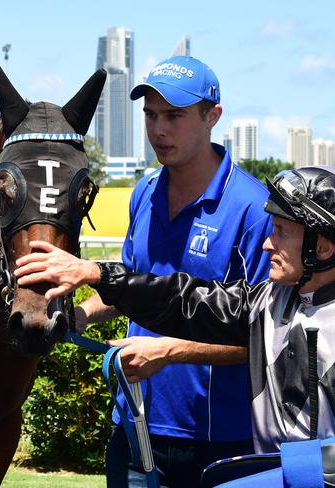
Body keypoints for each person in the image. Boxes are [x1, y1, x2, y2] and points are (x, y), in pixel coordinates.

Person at [15, 165, 335, 456]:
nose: (267, 243)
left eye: (281, 231)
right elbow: (183, 299)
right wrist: (97, 274)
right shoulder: (266, 302)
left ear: (322, 247)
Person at [73, 55, 272, 486]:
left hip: (222, 443)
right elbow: (128, 281)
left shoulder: (253, 209)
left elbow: (266, 338)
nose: (158, 130)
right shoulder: (144, 192)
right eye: (150, 115)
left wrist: (169, 350)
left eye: (174, 116)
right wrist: (80, 315)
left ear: (212, 116)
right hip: (134, 425)